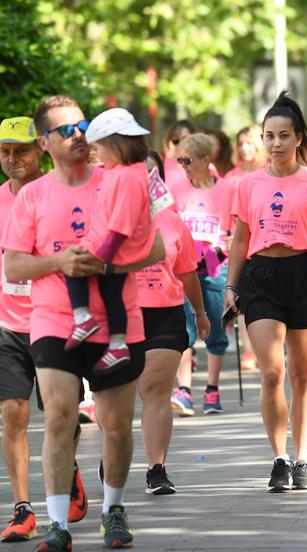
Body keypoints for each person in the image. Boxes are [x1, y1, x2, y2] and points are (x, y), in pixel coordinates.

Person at [2, 95, 163, 550]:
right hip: (54, 319)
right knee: (58, 414)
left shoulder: (126, 179)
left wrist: (107, 264)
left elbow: (159, 247)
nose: (79, 136)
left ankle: (113, 508)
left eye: (83, 126)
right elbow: (14, 266)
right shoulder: (32, 196)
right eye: (67, 130)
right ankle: (58, 525)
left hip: (118, 322)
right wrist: (61, 262)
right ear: (45, 141)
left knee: (115, 424)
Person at [224, 91, 307, 492]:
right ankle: (279, 459)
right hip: (260, 277)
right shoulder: (248, 184)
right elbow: (240, 239)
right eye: (269, 136)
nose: (276, 143)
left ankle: (302, 460)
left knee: (301, 374)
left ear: (298, 138)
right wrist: (230, 285)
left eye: (283, 135)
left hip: (303, 274)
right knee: (272, 372)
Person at [0, 116, 89, 543]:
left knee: (61, 414)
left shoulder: (58, 195)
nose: (12, 159)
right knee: (13, 412)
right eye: (4, 152)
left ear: (39, 150)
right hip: (7, 326)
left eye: (20, 151)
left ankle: (67, 470)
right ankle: (22, 509)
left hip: (53, 319)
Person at [62, 108, 155, 375]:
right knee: (112, 295)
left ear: (116, 145)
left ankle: (83, 318)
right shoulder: (122, 170)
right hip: (112, 246)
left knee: (73, 264)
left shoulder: (128, 177)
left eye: (99, 147)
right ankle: (117, 345)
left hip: (115, 248)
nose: (97, 154)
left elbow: (121, 226)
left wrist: (103, 256)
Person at [134, 195, 208, 494]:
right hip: (121, 314)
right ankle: (113, 452)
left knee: (155, 389)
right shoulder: (106, 216)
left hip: (165, 315)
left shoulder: (172, 221)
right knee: (116, 400)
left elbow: (187, 271)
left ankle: (157, 470)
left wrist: (200, 313)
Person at [169, 133, 233, 416]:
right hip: (185, 269)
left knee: (216, 329)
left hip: (215, 268)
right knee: (186, 328)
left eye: (188, 160)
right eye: (180, 159)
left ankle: (212, 389)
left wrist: (218, 250)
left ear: (207, 160)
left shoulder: (227, 190)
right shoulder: (177, 190)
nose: (183, 165)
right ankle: (183, 390)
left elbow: (233, 232)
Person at [223, 125, 267, 372]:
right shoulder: (231, 176)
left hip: (262, 244)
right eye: (240, 144)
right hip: (239, 243)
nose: (244, 148)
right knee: (243, 301)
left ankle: (265, 348)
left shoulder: (267, 173)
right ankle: (249, 350)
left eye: (249, 143)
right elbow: (227, 212)